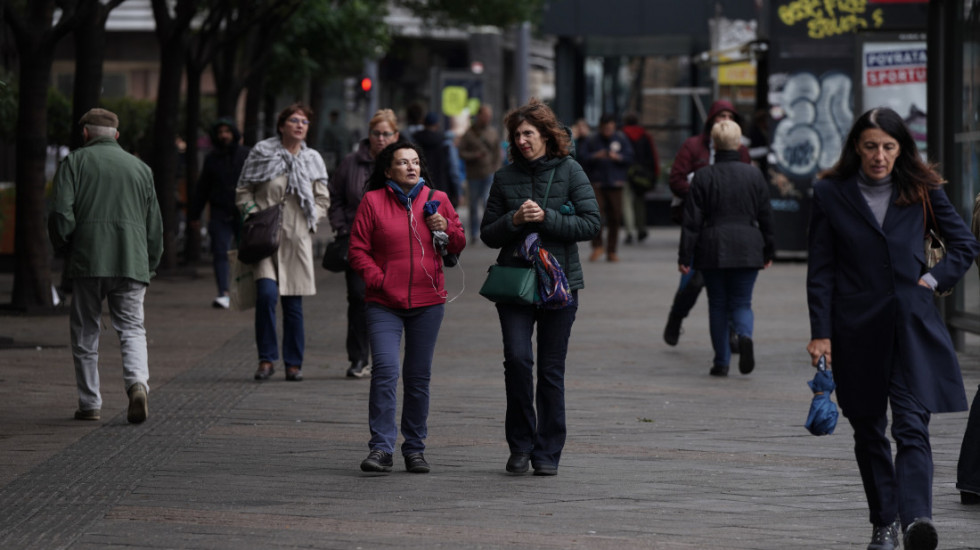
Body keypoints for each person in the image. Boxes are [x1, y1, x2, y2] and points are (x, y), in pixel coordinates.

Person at [806, 107, 980, 550]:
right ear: (856, 148)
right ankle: (884, 522)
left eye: (888, 146)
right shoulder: (830, 193)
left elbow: (963, 245)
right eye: (870, 147)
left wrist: (934, 279)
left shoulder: (922, 188)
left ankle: (917, 519)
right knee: (867, 430)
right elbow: (821, 270)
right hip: (855, 330)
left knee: (911, 427)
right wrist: (820, 332)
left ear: (901, 148)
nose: (879, 156)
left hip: (911, 327)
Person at [480, 98, 600, 476]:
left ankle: (547, 451)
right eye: (516, 135)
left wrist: (547, 218)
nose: (522, 141)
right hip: (515, 282)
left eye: (528, 133)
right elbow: (486, 234)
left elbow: (591, 223)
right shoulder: (504, 177)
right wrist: (514, 220)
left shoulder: (570, 170)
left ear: (547, 135)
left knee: (550, 370)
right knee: (517, 360)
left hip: (559, 285)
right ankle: (520, 445)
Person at [349, 141, 465, 474]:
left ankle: (414, 449)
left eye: (415, 162)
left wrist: (446, 229)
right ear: (388, 170)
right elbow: (358, 250)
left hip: (428, 302)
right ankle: (381, 449)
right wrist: (380, 280)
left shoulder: (437, 199)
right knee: (385, 371)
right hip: (384, 303)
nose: (411, 167)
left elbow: (458, 241)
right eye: (403, 163)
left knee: (417, 377)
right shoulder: (373, 201)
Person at [48, 107, 163, 423]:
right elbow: (155, 225)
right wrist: (150, 262)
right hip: (131, 260)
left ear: (85, 133)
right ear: (117, 135)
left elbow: (60, 213)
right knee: (132, 329)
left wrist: (66, 245)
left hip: (89, 259)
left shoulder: (75, 162)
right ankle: (137, 384)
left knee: (85, 330)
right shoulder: (141, 169)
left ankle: (89, 403)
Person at [236, 103, 330, 383]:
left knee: (293, 303)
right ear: (281, 126)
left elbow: (323, 198)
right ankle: (266, 359)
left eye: (304, 121)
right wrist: (253, 212)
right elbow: (243, 189)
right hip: (264, 238)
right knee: (265, 295)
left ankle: (293, 363)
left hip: (296, 239)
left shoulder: (313, 159)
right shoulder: (262, 152)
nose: (300, 125)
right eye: (294, 120)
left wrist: (311, 220)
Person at [678, 120, 773, 377]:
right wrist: (769, 250)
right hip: (749, 243)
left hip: (713, 245)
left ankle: (721, 361)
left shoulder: (703, 177)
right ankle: (744, 335)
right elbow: (766, 215)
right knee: (742, 302)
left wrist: (685, 256)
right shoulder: (754, 175)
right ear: (739, 143)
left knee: (717, 303)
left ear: (714, 144)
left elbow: (692, 221)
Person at [664, 100, 751, 346]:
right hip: (699, 223)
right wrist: (702, 195)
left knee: (733, 282)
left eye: (729, 116)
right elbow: (676, 179)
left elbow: (748, 185)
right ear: (711, 119)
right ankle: (677, 316)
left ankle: (734, 332)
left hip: (731, 224)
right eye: (720, 115)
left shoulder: (741, 150)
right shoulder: (693, 146)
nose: (725, 120)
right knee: (693, 279)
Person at [328, 108, 401, 379]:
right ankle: (358, 357)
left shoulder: (403, 163)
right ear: (368, 135)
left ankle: (383, 357)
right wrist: (342, 227)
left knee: (388, 300)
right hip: (356, 242)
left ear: (396, 135)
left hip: (393, 244)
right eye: (376, 134)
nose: (381, 139)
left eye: (386, 134)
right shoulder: (350, 163)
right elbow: (334, 196)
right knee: (359, 297)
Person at [188, 117, 250, 309]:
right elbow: (203, 187)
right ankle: (223, 292)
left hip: (243, 211)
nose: (224, 135)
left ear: (234, 134)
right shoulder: (212, 159)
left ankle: (245, 291)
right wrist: (195, 214)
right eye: (220, 132)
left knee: (245, 252)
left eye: (227, 131)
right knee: (220, 251)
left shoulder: (246, 155)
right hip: (219, 211)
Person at [579, 113, 633, 262]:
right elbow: (582, 157)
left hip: (616, 183)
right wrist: (596, 156)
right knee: (596, 214)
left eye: (610, 128)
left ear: (614, 127)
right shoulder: (592, 139)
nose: (608, 131)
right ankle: (597, 246)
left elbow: (630, 157)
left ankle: (612, 250)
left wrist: (619, 157)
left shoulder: (621, 139)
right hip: (597, 183)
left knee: (615, 216)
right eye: (605, 128)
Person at [458, 104, 502, 241]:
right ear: (479, 116)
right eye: (485, 116)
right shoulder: (469, 133)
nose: (488, 118)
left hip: (488, 173)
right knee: (473, 205)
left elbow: (497, 153)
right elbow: (461, 152)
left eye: (489, 116)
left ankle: (488, 230)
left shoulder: (493, 132)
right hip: (473, 175)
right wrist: (474, 155)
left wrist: (496, 168)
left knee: (486, 202)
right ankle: (474, 232)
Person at [620, 113, 660, 244]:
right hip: (641, 175)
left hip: (626, 172)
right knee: (640, 202)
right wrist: (654, 174)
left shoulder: (622, 134)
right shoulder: (645, 135)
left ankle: (630, 232)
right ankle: (641, 228)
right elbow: (653, 155)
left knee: (627, 203)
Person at [412, 112, 459, 206]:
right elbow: (453, 169)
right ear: (437, 125)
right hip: (442, 188)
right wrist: (457, 192)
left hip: (419, 188)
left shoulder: (415, 141)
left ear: (424, 124)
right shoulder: (444, 142)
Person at [319, 109, 352, 174]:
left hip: (333, 157)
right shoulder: (345, 129)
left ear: (331, 117)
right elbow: (350, 143)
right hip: (345, 156)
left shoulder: (329, 129)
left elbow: (325, 144)